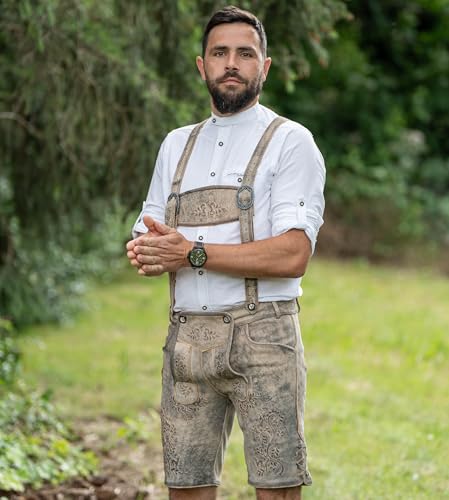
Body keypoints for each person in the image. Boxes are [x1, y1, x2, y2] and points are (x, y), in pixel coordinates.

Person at [126, 5, 325, 500]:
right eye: (219, 53)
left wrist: (189, 253)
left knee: (277, 490)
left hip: (265, 339)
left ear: (265, 66)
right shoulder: (176, 145)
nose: (231, 63)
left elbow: (293, 254)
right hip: (186, 340)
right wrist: (147, 250)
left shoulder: (291, 142)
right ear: (202, 66)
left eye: (245, 53)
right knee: (186, 489)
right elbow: (148, 229)